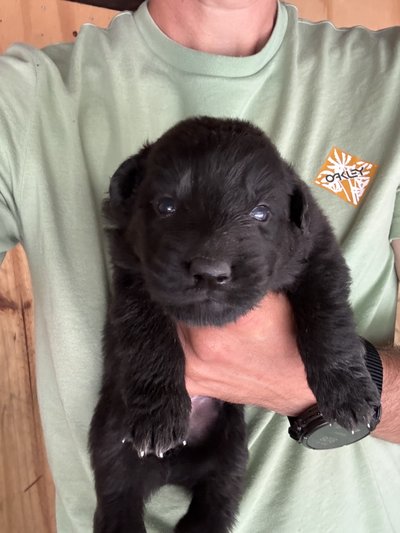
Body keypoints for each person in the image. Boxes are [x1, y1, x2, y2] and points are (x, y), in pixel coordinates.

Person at [1, 0, 399, 531]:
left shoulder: (388, 75)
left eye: (261, 214)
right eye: (167, 206)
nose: (212, 259)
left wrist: (326, 375)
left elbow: (322, 274)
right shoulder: (23, 96)